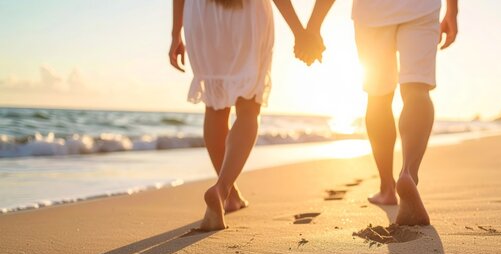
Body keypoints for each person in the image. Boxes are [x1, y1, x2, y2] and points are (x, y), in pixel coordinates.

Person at [169, 0, 326, 230]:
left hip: (202, 14)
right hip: (247, 14)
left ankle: (231, 196)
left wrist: (175, 33)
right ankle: (222, 190)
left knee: (214, 105)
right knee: (249, 107)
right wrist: (300, 32)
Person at [308, 0, 459, 226]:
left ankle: (387, 188)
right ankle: (408, 173)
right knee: (417, 88)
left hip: (371, 11)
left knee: (378, 96)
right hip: (421, 7)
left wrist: (313, 26)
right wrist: (452, 11)